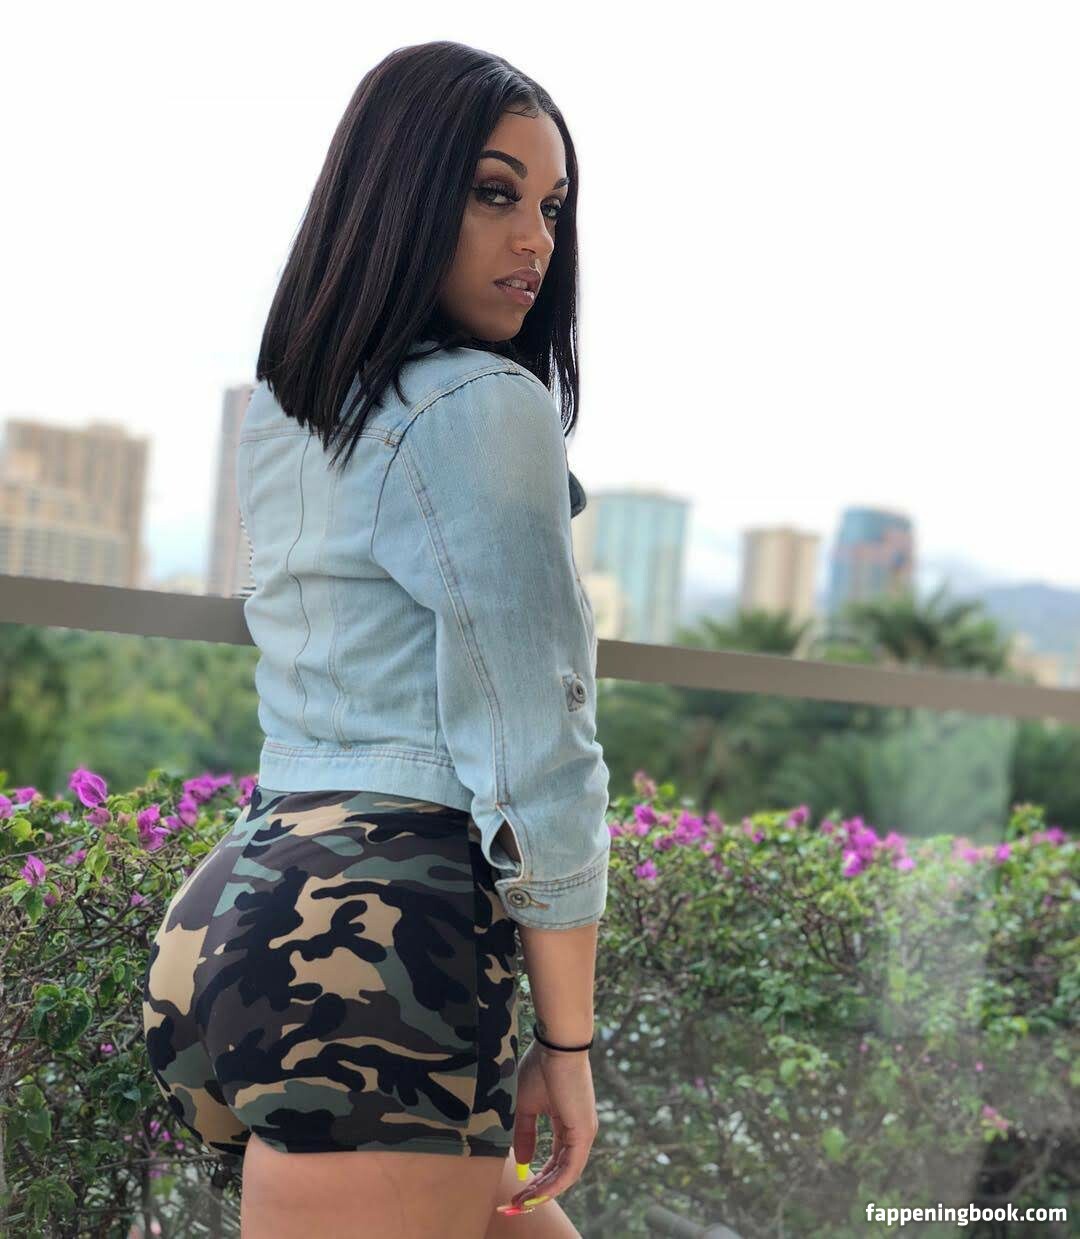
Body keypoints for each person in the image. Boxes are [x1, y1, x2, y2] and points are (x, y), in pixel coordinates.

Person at [142, 39, 609, 1239]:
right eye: (495, 193)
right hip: (384, 945)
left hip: (237, 918)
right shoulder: (486, 404)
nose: (537, 240)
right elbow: (540, 749)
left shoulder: (298, 408)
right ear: (403, 194)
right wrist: (568, 1044)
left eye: (552, 207)